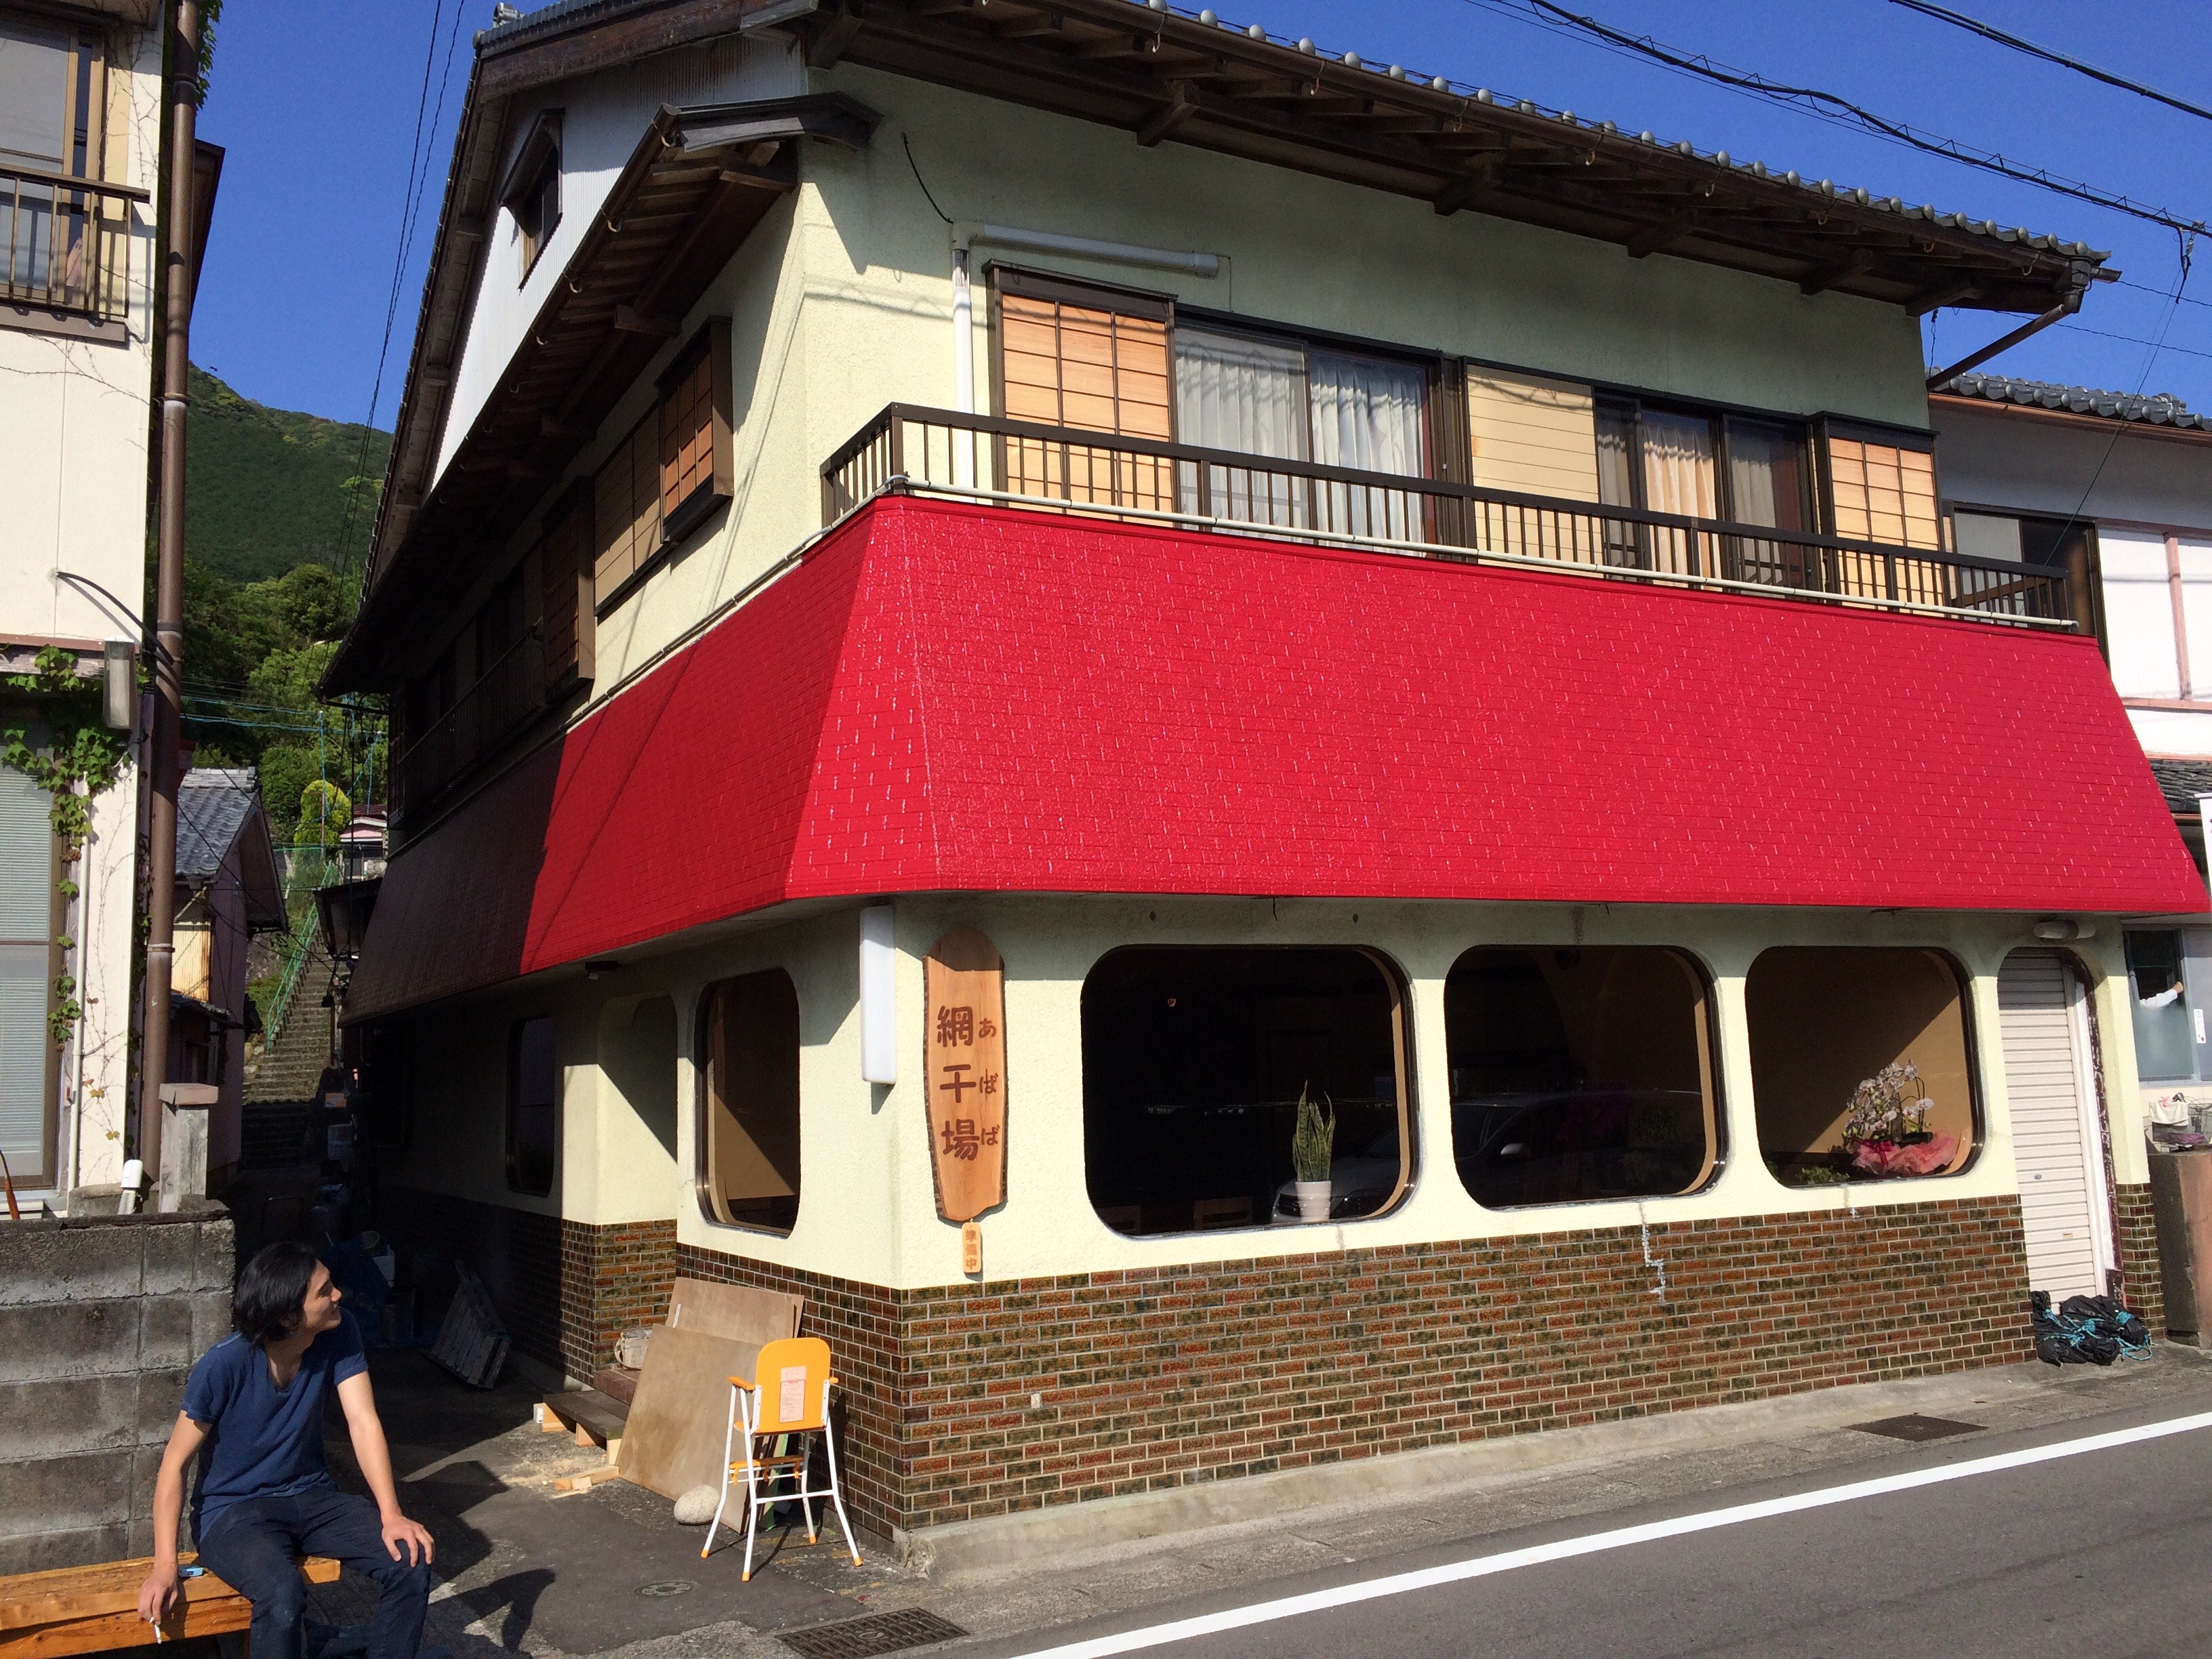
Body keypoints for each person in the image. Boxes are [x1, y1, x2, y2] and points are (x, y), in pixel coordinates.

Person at [137, 1241, 435, 1659]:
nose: (339, 1295)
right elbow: (174, 1464)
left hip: (311, 1496)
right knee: (282, 1594)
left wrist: (391, 1514)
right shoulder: (223, 1365)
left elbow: (363, 1421)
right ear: (289, 1317)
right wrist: (165, 1566)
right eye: (325, 1291)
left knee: (410, 1559)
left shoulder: (340, 1331)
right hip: (232, 1512)